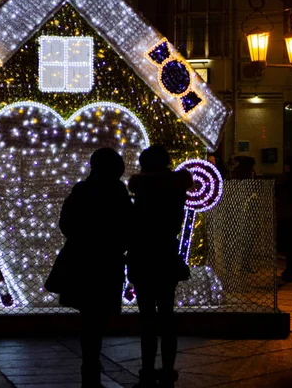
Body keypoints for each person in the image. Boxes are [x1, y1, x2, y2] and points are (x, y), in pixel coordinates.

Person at [54, 147, 133, 387]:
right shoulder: (117, 191)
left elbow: (66, 223)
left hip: (83, 260)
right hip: (107, 261)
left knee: (89, 316)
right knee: (97, 318)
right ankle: (91, 361)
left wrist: (83, 238)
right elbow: (128, 224)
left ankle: (89, 362)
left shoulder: (82, 190)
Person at [127, 145, 193, 388]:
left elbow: (135, 224)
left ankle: (147, 369)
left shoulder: (142, 189)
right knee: (166, 314)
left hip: (143, 255)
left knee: (147, 317)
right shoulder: (176, 188)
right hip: (166, 254)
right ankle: (167, 370)